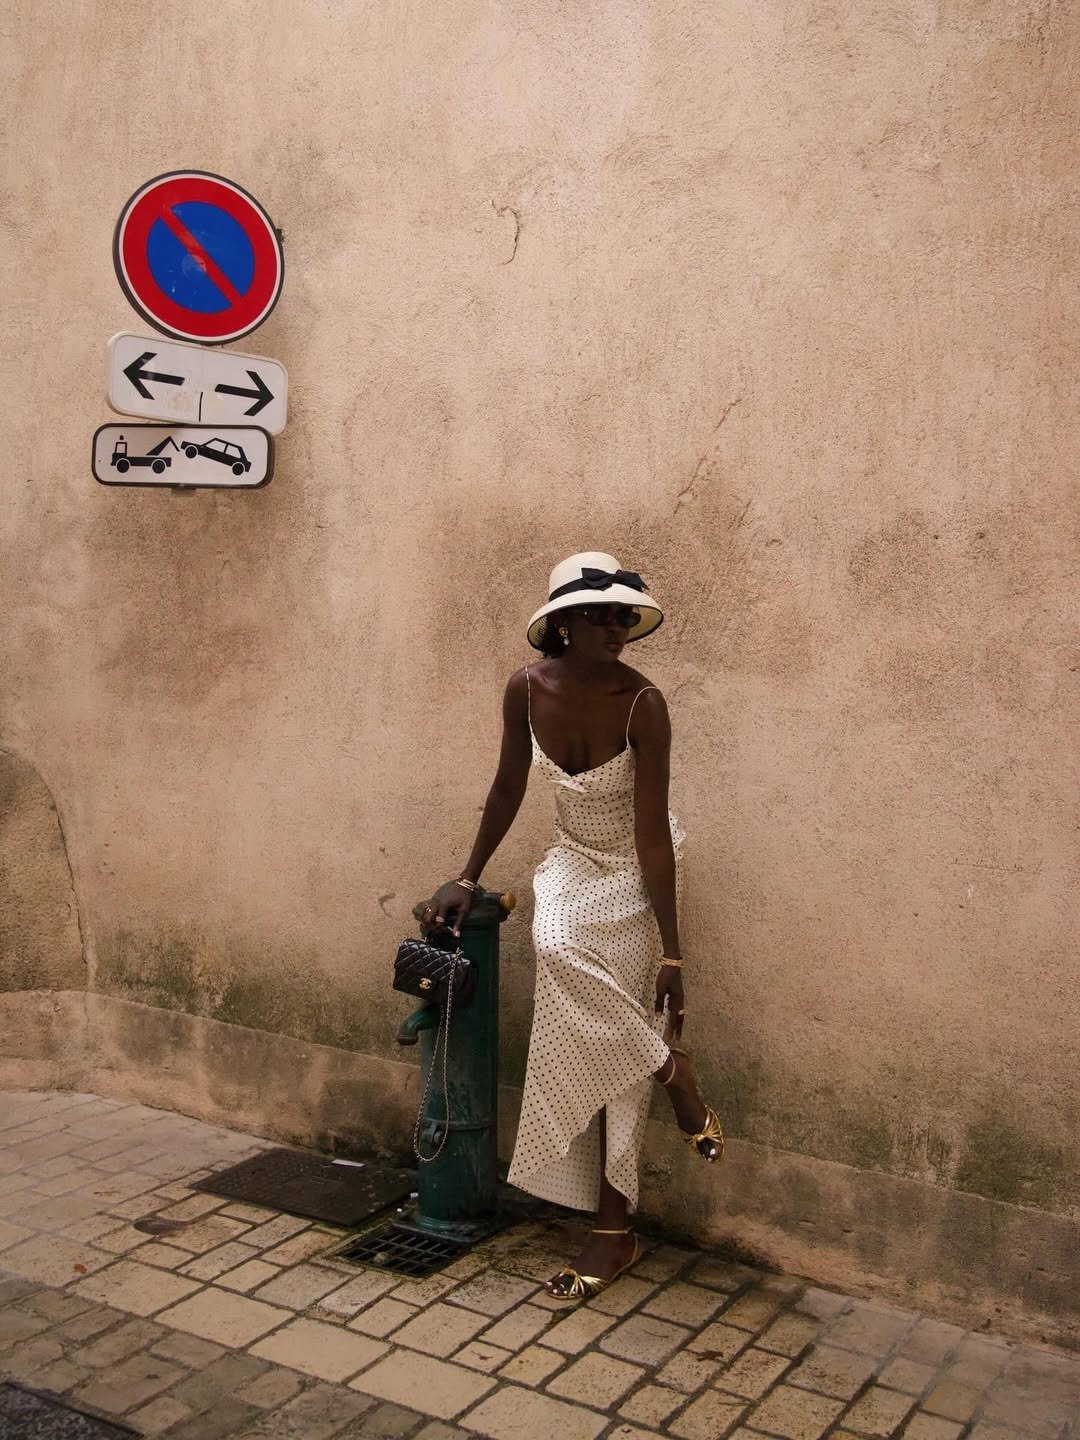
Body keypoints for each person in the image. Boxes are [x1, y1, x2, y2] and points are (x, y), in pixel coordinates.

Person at [421, 552, 722, 1302]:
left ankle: (613, 1232)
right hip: (571, 864)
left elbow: (651, 831)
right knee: (556, 946)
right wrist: (468, 875)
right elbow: (506, 785)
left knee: (612, 1041)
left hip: (635, 874)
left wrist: (674, 955)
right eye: (599, 614)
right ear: (561, 624)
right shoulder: (525, 689)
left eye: (624, 614)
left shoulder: (643, 702)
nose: (616, 627)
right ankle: (671, 1068)